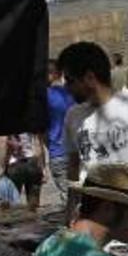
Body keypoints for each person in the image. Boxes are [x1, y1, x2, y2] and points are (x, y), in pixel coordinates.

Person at [58, 41, 128, 227]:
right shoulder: (73, 116)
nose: (66, 88)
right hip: (92, 217)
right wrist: (70, 210)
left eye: (70, 80)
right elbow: (73, 167)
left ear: (89, 77)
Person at [45, 59, 76, 205]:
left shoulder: (45, 97)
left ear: (50, 74)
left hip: (57, 152)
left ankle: (75, 226)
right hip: (77, 152)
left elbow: (42, 132)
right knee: (81, 195)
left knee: (68, 198)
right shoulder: (73, 94)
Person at [0, 132, 46, 211]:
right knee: (33, 203)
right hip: (32, 162)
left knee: (11, 204)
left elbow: (3, 145)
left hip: (14, 165)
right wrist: (42, 167)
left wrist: (4, 167)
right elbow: (38, 144)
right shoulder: (29, 121)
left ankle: (15, 221)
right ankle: (33, 218)